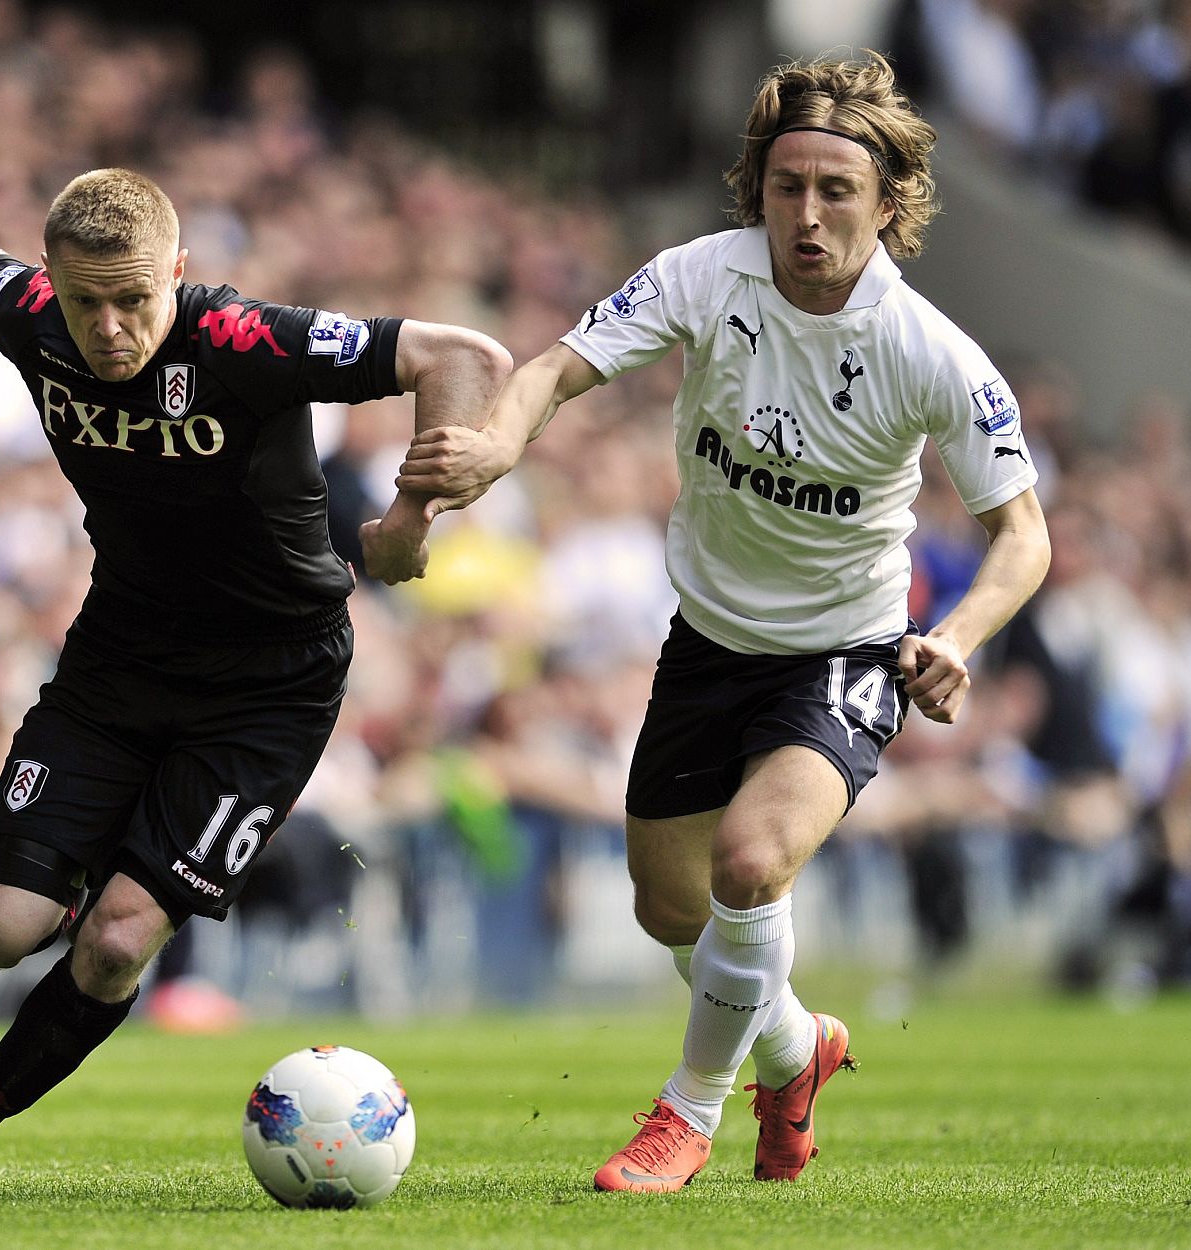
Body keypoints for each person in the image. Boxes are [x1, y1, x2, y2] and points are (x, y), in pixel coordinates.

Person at [368, 52, 1050, 1191]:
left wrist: (959, 639)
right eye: (788, 186)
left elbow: (1022, 534)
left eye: (838, 189)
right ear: (758, 191)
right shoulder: (703, 275)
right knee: (667, 906)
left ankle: (685, 1113)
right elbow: (555, 368)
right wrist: (494, 442)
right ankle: (795, 1048)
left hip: (841, 650)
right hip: (707, 639)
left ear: (888, 203)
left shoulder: (932, 352)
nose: (809, 212)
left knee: (749, 863)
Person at [0, 158, 510, 1190]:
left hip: (270, 684)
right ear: (51, 280)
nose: (113, 327)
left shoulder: (242, 338)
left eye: (136, 298)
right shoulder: (30, 315)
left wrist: (409, 515)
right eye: (88, 302)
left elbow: (461, 353)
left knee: (120, 937)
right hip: (118, 663)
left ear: (178, 270)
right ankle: (114, 867)